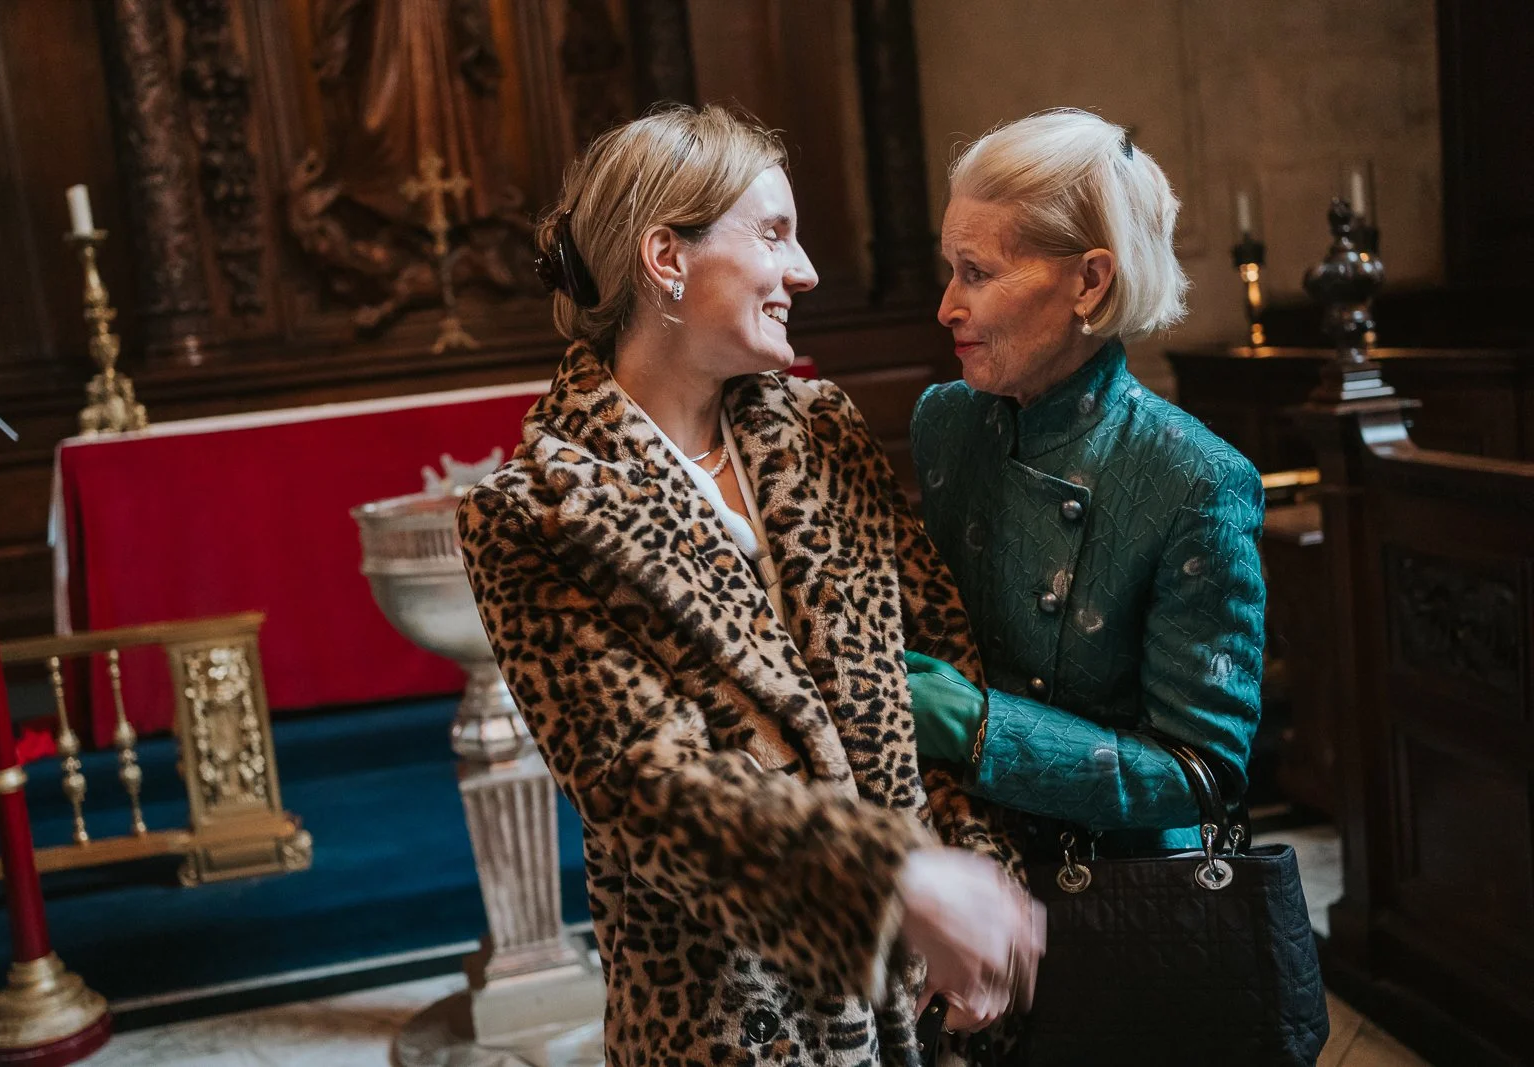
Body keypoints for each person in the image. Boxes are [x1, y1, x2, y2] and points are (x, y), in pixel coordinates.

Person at [457, 105, 1042, 1065]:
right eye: (774, 233)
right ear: (665, 257)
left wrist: (976, 873)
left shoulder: (826, 432)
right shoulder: (534, 516)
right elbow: (646, 790)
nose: (805, 270)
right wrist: (897, 887)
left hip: (923, 1008)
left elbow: (941, 670)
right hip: (731, 1023)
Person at [906, 108, 1267, 858]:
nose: (947, 306)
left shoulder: (1198, 479)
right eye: (950, 269)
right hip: (960, 868)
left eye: (978, 272)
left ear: (1090, 280)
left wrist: (979, 727)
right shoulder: (944, 424)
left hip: (1116, 902)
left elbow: (1202, 774)